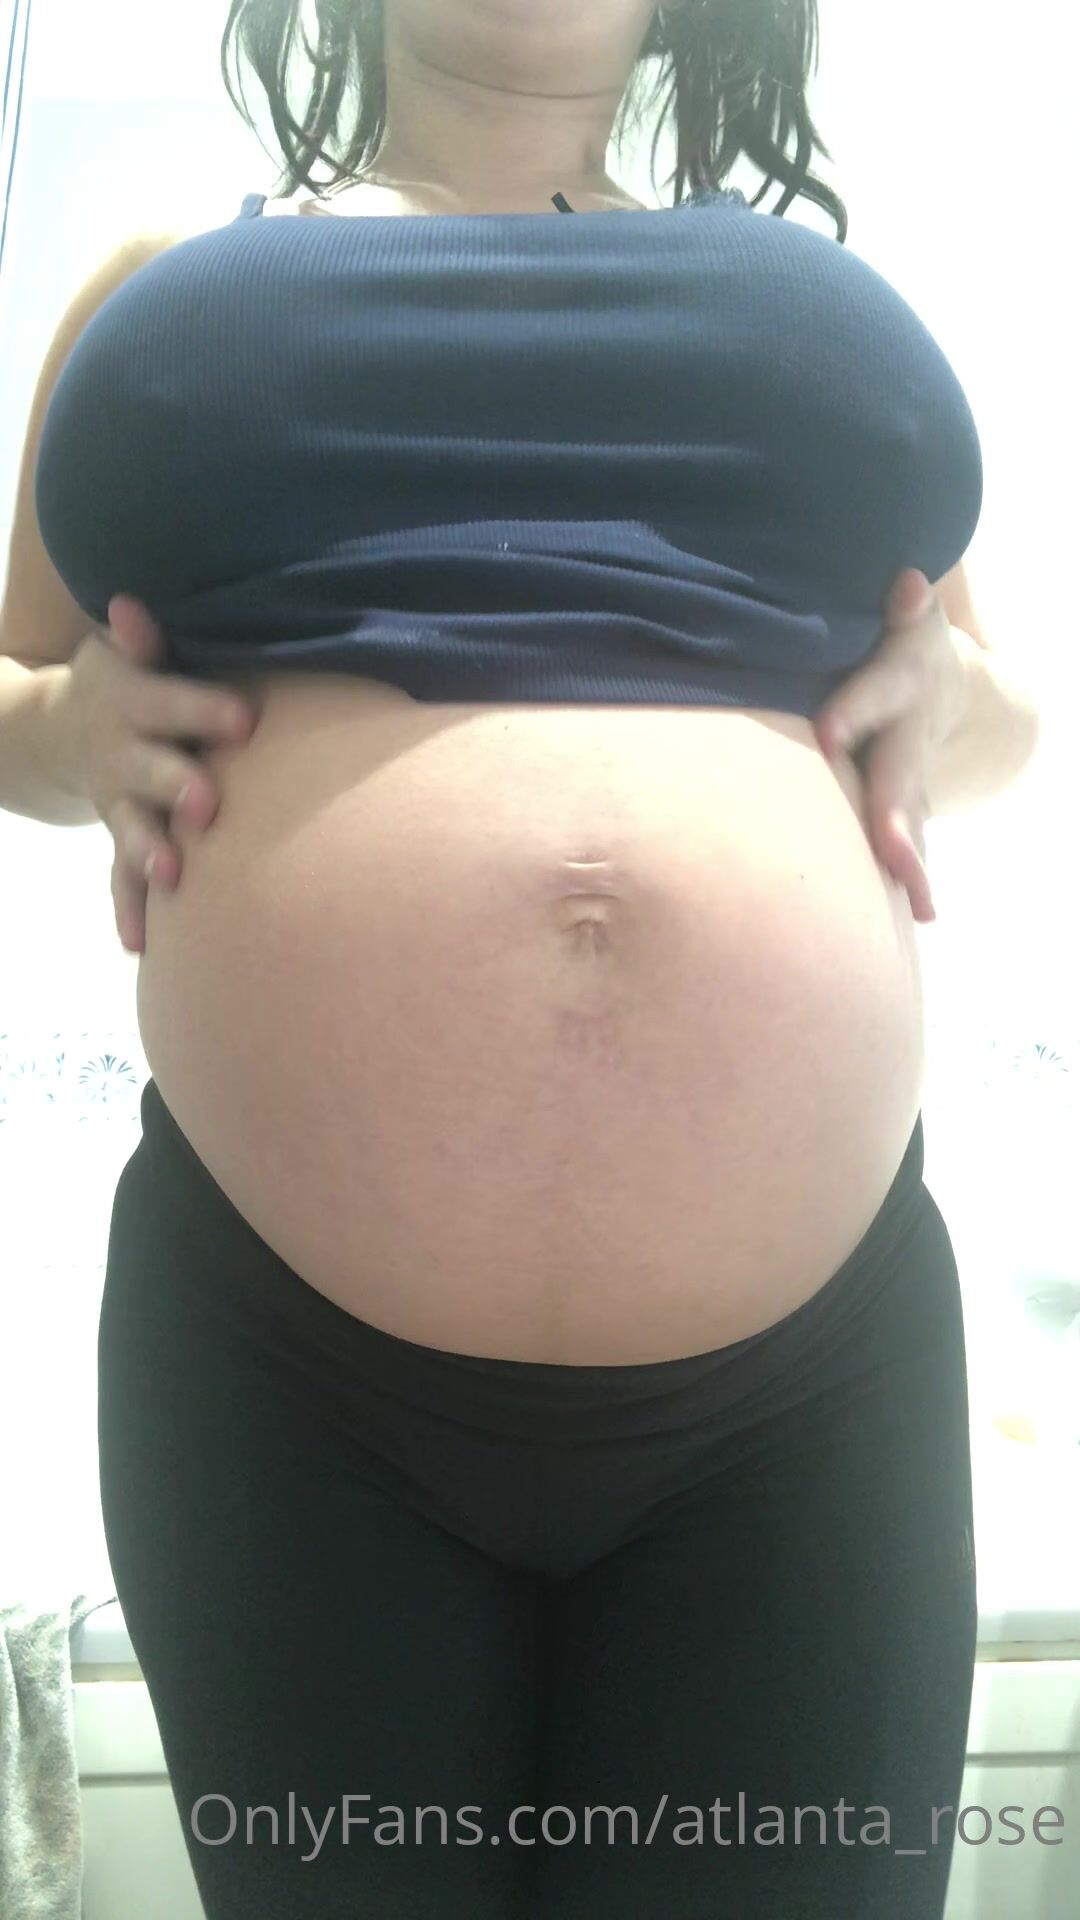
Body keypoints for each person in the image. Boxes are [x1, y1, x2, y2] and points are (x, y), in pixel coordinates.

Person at [1, 1, 1001, 1914]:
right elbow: (18, 688)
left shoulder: (816, 323)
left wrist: (964, 700)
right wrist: (58, 733)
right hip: (283, 1376)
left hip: (806, 1397)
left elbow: (997, 709)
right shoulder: (174, 283)